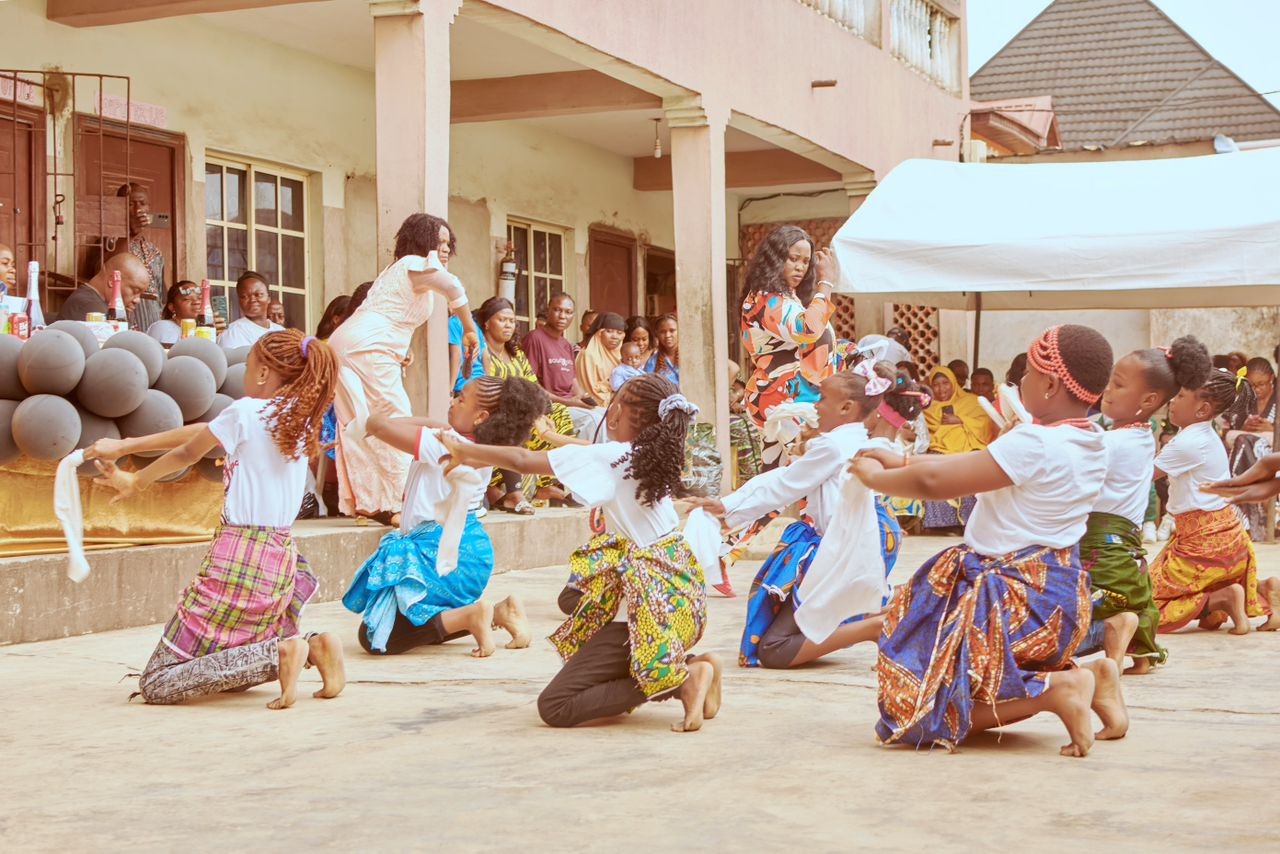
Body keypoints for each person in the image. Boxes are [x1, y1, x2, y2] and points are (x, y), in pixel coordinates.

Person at [851, 325, 1127, 757]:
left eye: (1028, 376)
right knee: (946, 675)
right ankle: (1097, 675)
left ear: (1050, 384)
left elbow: (936, 480)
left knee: (917, 712)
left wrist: (878, 478)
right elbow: (978, 464)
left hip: (1013, 604)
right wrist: (903, 457)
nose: (1019, 385)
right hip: (1057, 599)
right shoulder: (1090, 441)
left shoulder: (1033, 441)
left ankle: (1061, 690)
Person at [440, 374, 723, 733]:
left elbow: (523, 460)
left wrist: (465, 450)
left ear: (617, 412)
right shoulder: (643, 459)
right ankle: (694, 663)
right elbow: (571, 453)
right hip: (680, 598)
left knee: (557, 706)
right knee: (579, 607)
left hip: (649, 607)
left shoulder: (614, 456)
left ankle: (685, 679)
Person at [85, 329, 346, 709]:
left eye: (249, 365)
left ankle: (283, 654)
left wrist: (135, 478)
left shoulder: (244, 413)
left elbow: (190, 452)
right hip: (280, 553)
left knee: (158, 683)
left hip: (238, 555)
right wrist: (127, 445)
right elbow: (207, 432)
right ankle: (314, 648)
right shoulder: (298, 421)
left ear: (262, 374)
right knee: (223, 667)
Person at [690, 364, 908, 670]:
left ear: (846, 407)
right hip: (867, 537)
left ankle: (880, 621)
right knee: (819, 615)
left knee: (774, 649)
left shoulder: (833, 445)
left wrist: (727, 507)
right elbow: (787, 477)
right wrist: (728, 505)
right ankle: (888, 607)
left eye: (822, 398)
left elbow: (784, 484)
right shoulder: (860, 438)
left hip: (845, 543)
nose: (815, 405)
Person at [342, 375, 547, 656]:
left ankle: (472, 616)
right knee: (408, 620)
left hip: (439, 553)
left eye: (461, 399)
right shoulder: (476, 448)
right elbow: (424, 425)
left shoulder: (445, 444)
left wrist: (373, 421)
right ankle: (499, 612)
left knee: (378, 636)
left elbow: (380, 426)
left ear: (481, 416)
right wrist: (435, 425)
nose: (453, 402)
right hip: (467, 550)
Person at [328, 214, 479, 523]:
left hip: (350, 346)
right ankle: (399, 502)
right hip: (366, 348)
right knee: (395, 420)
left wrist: (401, 351)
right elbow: (453, 287)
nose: (446, 249)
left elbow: (389, 316)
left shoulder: (398, 270)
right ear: (422, 241)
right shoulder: (416, 263)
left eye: (449, 243)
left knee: (361, 424)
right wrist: (468, 328)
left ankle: (373, 504)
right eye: (440, 242)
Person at [1076, 338, 1210, 675]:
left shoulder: (1115, 442)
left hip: (1099, 540)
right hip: (1121, 543)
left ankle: (1114, 629)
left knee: (1072, 611)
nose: (1107, 390)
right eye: (1110, 380)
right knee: (1128, 593)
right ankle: (1142, 652)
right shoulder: (1134, 436)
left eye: (1118, 384)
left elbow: (1070, 460)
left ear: (1149, 400)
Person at [1148, 368, 1277, 634]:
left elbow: (1140, 477)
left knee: (1143, 608)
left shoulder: (1188, 442)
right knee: (1147, 588)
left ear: (1203, 409)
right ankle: (1264, 591)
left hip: (1204, 545)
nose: (1172, 400)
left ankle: (1224, 598)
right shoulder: (1202, 435)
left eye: (1181, 395)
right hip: (1225, 537)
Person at [740, 225, 841, 470]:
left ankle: (754, 509)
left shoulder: (787, 298)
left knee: (777, 478)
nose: (800, 267)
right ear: (775, 258)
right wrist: (825, 282)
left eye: (806, 261)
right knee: (811, 472)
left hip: (792, 396)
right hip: (783, 397)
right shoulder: (765, 299)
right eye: (793, 258)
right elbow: (806, 330)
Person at [476, 296, 575, 513]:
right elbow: (484, 388)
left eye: (511, 320)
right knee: (510, 420)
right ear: (487, 323)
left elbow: (533, 385)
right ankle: (507, 491)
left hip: (523, 411)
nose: (508, 325)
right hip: (492, 412)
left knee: (559, 413)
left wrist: (540, 409)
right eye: (502, 320)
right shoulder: (481, 351)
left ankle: (550, 483)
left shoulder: (516, 353)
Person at [1226, 356, 1277, 540]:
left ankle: (1235, 510)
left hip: (1273, 456)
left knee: (1243, 443)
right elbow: (1231, 432)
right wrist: (1246, 429)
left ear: (1271, 378)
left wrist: (1273, 431)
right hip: (1248, 456)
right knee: (1242, 441)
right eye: (1253, 385)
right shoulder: (1246, 400)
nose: (1258, 389)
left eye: (1262, 384)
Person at [102, 182, 165, 331]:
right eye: (130, 204)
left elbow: (162, 290)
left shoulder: (154, 251)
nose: (137, 210)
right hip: (126, 313)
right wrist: (129, 234)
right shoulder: (110, 242)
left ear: (148, 208)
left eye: (142, 204)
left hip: (154, 316)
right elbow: (103, 274)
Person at [56, 252, 151, 322]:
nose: (137, 300)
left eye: (140, 294)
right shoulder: (92, 307)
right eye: (135, 291)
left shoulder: (91, 300)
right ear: (112, 282)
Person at [217, 272, 284, 349]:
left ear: (268, 298)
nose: (252, 300)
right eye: (244, 296)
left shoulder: (281, 332)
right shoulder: (231, 333)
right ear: (239, 301)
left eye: (258, 294)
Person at [575, 311, 626, 409]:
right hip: (595, 412)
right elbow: (590, 394)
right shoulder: (588, 355)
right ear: (599, 333)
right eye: (609, 331)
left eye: (619, 333)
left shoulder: (623, 356)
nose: (614, 336)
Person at [146, 280, 200, 346]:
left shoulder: (206, 329)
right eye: (187, 299)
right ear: (172, 307)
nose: (197, 302)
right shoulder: (164, 327)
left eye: (200, 298)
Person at [646, 313, 679, 386]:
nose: (667, 335)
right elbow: (648, 388)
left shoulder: (689, 358)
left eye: (672, 330)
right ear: (657, 334)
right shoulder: (652, 362)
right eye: (662, 332)